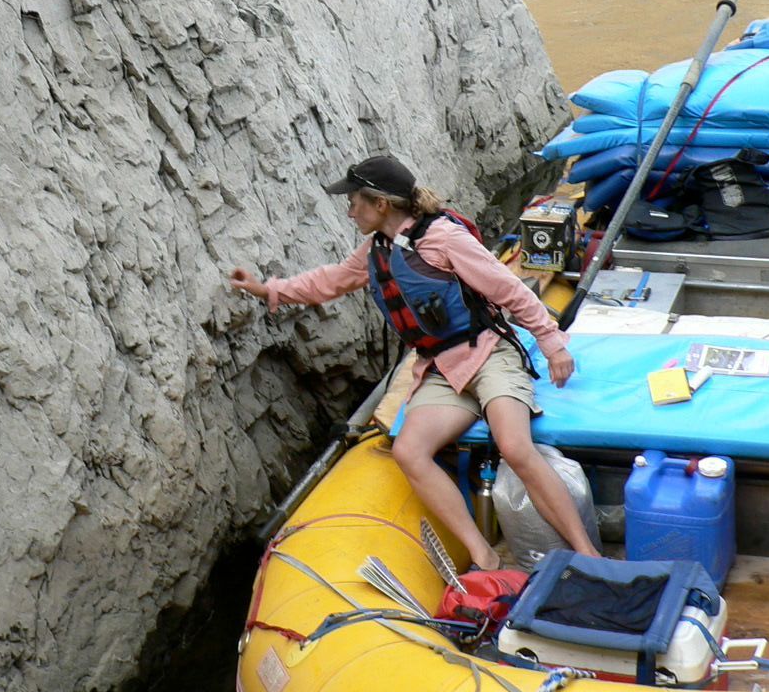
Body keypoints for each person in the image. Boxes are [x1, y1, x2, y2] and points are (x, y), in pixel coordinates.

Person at [229, 153, 598, 570]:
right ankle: (482, 553)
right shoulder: (377, 249)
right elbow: (329, 281)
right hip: (441, 368)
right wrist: (267, 290)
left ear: (380, 204)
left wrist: (552, 343)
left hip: (488, 355)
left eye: (354, 202)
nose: (350, 211)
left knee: (514, 446)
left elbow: (508, 290)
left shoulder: (443, 239)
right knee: (409, 450)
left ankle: (586, 551)